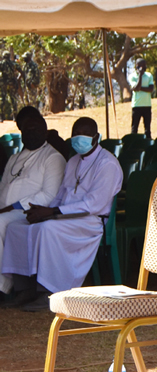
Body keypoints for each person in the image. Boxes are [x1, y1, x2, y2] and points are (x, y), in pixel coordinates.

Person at [1, 118, 122, 310]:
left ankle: (50, 291)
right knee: (17, 227)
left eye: (84, 135)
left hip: (90, 221)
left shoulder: (107, 164)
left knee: (48, 229)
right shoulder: (73, 161)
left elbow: (93, 204)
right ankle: (25, 289)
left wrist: (54, 212)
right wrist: (43, 212)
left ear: (96, 137)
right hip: (64, 216)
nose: (78, 139)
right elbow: (61, 195)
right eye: (75, 135)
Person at [0, 113, 65, 297]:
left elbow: (48, 196)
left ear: (45, 132)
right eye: (27, 130)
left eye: (36, 129)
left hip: (29, 212)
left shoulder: (53, 158)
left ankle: (2, 286)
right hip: (5, 210)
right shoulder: (14, 158)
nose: (31, 133)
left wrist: (12, 207)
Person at [130, 58, 154, 139]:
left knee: (147, 129)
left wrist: (140, 88)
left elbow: (151, 89)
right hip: (137, 105)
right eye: (141, 66)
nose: (143, 67)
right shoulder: (133, 76)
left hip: (147, 105)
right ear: (137, 66)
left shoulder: (149, 75)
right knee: (134, 128)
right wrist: (140, 75)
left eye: (144, 65)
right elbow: (136, 87)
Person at [0, 50, 22, 122]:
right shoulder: (13, 63)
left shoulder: (1, 64)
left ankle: (1, 117)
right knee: (13, 99)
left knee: (2, 99)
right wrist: (18, 78)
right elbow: (21, 72)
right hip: (12, 83)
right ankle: (15, 117)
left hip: (4, 83)